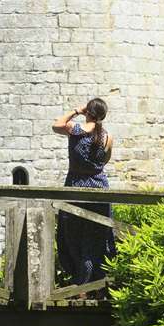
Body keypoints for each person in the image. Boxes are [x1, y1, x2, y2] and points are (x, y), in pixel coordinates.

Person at [52, 98, 117, 285]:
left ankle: (80, 284)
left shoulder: (76, 130)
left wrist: (76, 110)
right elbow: (104, 161)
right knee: (97, 237)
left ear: (88, 112)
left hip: (76, 187)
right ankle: (93, 283)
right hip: (99, 188)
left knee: (71, 236)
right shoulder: (107, 137)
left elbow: (56, 125)